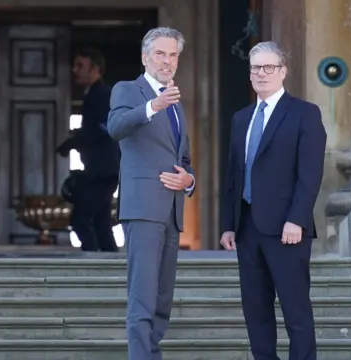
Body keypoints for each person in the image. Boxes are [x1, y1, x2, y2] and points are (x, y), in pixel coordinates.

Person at [220, 41, 327, 360]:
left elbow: (310, 174)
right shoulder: (241, 118)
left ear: (283, 72)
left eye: (269, 67)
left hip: (287, 228)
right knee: (256, 310)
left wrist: (297, 218)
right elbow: (232, 177)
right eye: (255, 68)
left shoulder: (305, 113)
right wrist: (228, 224)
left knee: (295, 310)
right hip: (247, 227)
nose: (261, 74)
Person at [107, 27, 195, 360]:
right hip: (142, 209)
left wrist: (189, 180)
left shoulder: (176, 104)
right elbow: (115, 128)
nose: (167, 61)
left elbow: (183, 159)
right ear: (145, 57)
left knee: (161, 300)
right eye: (160, 53)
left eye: (173, 55)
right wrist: (153, 106)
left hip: (171, 212)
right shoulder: (129, 90)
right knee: (142, 298)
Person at [56, 47, 120, 252]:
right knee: (100, 222)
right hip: (101, 170)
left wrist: (72, 142)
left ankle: (95, 266)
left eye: (80, 66)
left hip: (102, 172)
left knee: (81, 220)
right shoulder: (95, 95)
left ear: (95, 69)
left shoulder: (101, 96)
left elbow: (104, 129)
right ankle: (109, 270)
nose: (75, 70)